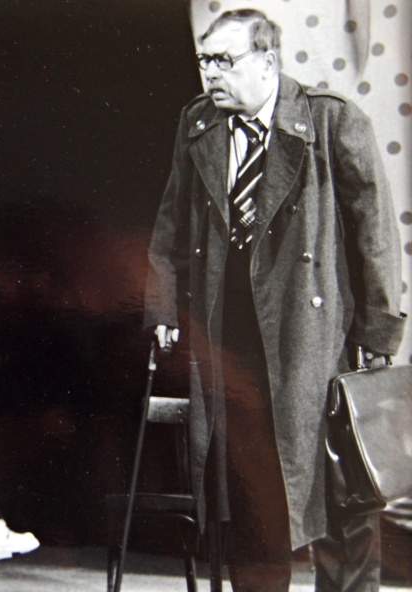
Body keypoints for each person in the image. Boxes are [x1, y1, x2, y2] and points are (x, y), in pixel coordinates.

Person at [143, 9, 405, 591]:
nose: (211, 74)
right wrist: (161, 305)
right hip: (231, 334)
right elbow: (171, 225)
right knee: (247, 489)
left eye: (225, 61)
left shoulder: (331, 120)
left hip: (316, 336)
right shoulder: (198, 124)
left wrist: (379, 331)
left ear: (268, 61)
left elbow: (376, 234)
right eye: (205, 61)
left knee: (339, 489)